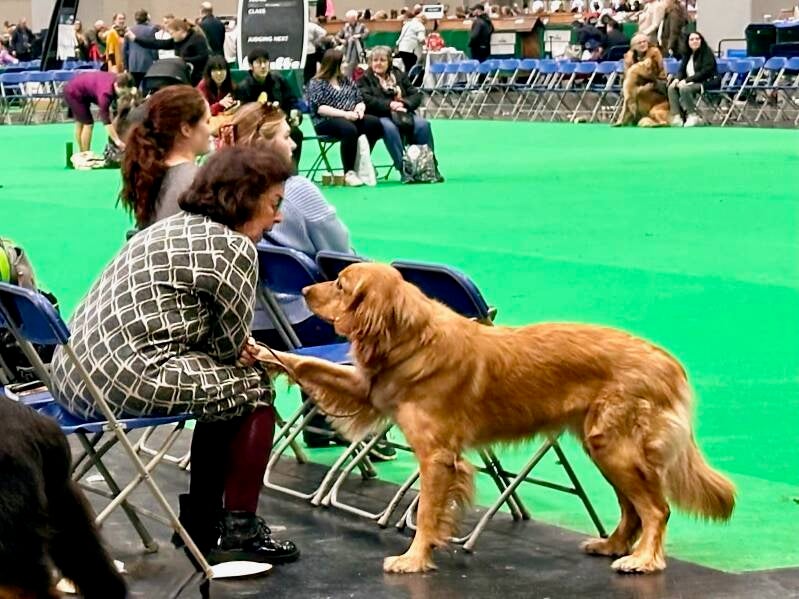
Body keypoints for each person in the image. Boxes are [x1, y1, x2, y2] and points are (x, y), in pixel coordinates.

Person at [50, 145, 300, 565]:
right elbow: (228, 349)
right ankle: (235, 527)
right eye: (274, 203)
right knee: (252, 387)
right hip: (121, 380)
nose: (278, 217)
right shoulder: (235, 248)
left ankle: (202, 522)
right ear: (245, 198)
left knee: (219, 388)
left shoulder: (167, 227)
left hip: (70, 376)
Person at [118, 86, 210, 229]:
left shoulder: (151, 171)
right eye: (207, 122)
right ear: (186, 129)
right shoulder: (195, 182)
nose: (211, 130)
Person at [307, 49, 383, 187]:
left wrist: (359, 109)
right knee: (349, 129)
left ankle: (362, 161)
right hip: (326, 121)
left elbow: (359, 99)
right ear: (333, 64)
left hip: (351, 117)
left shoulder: (346, 80)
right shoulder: (316, 83)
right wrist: (345, 114)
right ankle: (349, 172)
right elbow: (320, 108)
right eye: (342, 63)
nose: (345, 65)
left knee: (374, 123)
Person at [358, 46, 435, 180]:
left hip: (402, 113)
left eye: (382, 60)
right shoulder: (364, 78)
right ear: (370, 62)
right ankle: (404, 169)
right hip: (379, 115)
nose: (378, 63)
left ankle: (428, 167)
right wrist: (390, 104)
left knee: (423, 125)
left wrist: (403, 103)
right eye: (375, 60)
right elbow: (367, 99)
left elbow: (415, 95)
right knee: (389, 128)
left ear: (389, 62)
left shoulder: (398, 74)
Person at [235, 47, 303, 164]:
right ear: (251, 66)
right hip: (258, 128)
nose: (263, 66)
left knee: (296, 133)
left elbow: (291, 101)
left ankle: (292, 169)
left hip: (280, 123)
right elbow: (243, 116)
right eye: (258, 62)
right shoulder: (243, 88)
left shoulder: (279, 80)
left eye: (265, 62)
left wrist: (295, 113)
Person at [63, 71, 136, 154]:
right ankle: (86, 155)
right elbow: (106, 122)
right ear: (116, 85)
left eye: (126, 92)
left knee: (81, 121)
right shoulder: (105, 94)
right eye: (122, 93)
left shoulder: (119, 79)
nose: (123, 95)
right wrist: (117, 141)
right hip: (73, 92)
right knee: (88, 123)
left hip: (81, 87)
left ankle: (82, 153)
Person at [128, 18, 210, 86]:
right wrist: (135, 39)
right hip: (186, 76)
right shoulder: (176, 41)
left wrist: (182, 60)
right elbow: (156, 43)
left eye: (172, 33)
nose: (171, 36)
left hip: (199, 77)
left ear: (180, 30)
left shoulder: (197, 38)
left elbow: (203, 57)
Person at [668, 32, 718, 127]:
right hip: (690, 82)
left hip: (707, 82)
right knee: (672, 88)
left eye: (697, 39)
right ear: (688, 42)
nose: (695, 41)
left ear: (701, 41)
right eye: (692, 39)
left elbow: (705, 72)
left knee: (684, 88)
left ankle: (692, 115)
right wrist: (677, 79)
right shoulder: (687, 55)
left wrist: (686, 80)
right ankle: (677, 116)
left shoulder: (707, 54)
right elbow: (681, 70)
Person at [125, 10, 158, 87]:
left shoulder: (129, 30)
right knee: (147, 87)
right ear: (146, 18)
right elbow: (153, 47)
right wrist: (156, 59)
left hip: (132, 64)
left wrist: (126, 65)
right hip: (147, 63)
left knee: (134, 87)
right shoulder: (151, 30)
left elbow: (125, 50)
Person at [305, 17, 327, 83]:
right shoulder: (311, 25)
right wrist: (316, 41)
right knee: (311, 70)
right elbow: (324, 32)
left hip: (301, 51)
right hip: (310, 50)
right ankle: (311, 84)